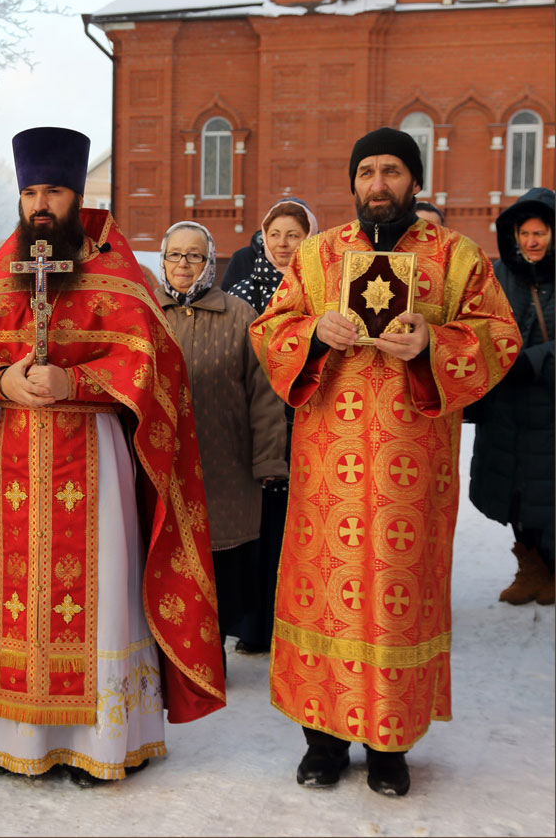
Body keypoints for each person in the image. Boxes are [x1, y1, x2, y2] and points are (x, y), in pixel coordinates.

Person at [0, 126, 225, 788]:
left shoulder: (116, 265)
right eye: (31, 191)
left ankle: (94, 739)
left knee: (97, 594)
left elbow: (156, 362)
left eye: (55, 190)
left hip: (93, 451)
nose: (41, 203)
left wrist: (81, 382)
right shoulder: (2, 268)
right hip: (9, 448)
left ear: (77, 195)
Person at [250, 127, 520, 797]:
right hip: (326, 469)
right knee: (325, 598)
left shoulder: (456, 256)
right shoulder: (316, 255)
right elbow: (270, 329)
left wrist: (433, 339)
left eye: (392, 171)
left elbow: (500, 335)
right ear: (352, 183)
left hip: (412, 467)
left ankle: (391, 744)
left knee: (396, 599)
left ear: (415, 180)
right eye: (366, 171)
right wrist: (315, 332)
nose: (378, 183)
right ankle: (323, 741)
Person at [152, 221, 287, 666]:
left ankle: (212, 655)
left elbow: (263, 394)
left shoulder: (238, 314)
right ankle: (166, 655)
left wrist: (269, 459)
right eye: (175, 255)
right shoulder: (146, 313)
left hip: (225, 466)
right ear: (163, 260)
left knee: (222, 566)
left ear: (210, 262)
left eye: (195, 255)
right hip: (159, 464)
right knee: (166, 560)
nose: (184, 264)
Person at [227, 198, 319, 654]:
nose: (283, 244)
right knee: (260, 523)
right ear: (263, 238)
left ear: (309, 240)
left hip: (308, 420)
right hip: (258, 425)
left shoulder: (322, 291)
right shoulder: (242, 293)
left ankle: (297, 623)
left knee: (299, 525)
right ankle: (255, 626)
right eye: (275, 234)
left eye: (294, 235)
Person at [467, 187, 554, 604]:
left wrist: (532, 361)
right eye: (525, 233)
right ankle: (529, 568)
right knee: (514, 492)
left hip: (549, 407)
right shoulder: (499, 275)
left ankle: (550, 569)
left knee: (547, 494)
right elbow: (478, 325)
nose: (532, 241)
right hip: (506, 408)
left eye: (540, 233)